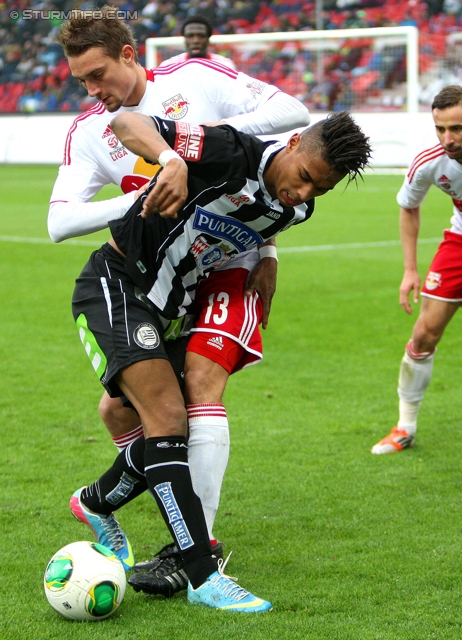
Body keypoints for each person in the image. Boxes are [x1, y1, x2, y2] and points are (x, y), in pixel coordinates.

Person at [50, 5, 310, 594]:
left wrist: (201, 154)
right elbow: (59, 222)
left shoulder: (194, 79)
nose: (93, 92)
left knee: (196, 392)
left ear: (128, 55)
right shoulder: (91, 130)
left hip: (233, 265)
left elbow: (292, 115)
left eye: (98, 75)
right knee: (121, 413)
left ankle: (199, 548)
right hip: (159, 277)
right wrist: (148, 197)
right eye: (81, 83)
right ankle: (105, 501)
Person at [70, 109, 371, 611]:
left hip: (170, 306)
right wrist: (169, 159)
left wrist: (268, 257)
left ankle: (95, 502)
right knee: (166, 419)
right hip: (117, 284)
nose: (303, 195)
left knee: (150, 424)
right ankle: (202, 576)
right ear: (293, 141)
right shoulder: (230, 150)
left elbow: (263, 218)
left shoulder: (295, 209)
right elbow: (125, 122)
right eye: (303, 178)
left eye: (319, 189)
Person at [372, 84, 462, 454]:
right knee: (424, 334)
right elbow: (409, 206)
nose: (448, 138)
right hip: (459, 243)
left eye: (457, 128)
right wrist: (410, 269)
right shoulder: (430, 161)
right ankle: (404, 426)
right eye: (440, 129)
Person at [159, 14, 236, 70]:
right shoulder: (168, 66)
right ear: (184, 38)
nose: (196, 41)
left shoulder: (225, 66)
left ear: (208, 39)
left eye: (201, 36)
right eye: (190, 36)